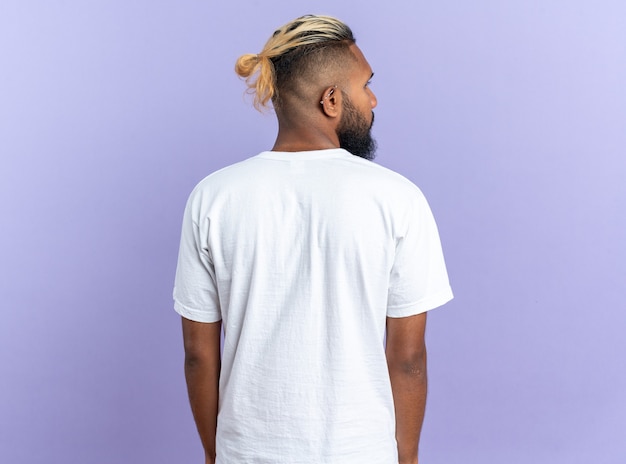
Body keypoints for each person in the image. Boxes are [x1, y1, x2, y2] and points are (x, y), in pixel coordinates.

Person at [173, 14, 453, 464]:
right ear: (332, 99)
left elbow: (197, 355)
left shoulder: (213, 197)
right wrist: (408, 458)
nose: (374, 98)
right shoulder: (397, 198)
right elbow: (408, 358)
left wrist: (214, 453)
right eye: (365, 86)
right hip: (361, 452)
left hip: (248, 452)